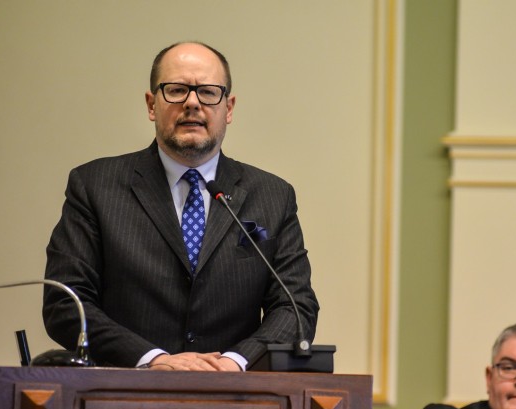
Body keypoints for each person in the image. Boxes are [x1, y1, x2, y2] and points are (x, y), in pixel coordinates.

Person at [42, 42, 319, 371]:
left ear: (228, 108)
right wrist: (152, 359)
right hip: (122, 398)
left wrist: (236, 361)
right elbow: (66, 302)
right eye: (176, 90)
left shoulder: (273, 195)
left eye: (208, 92)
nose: (192, 103)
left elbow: (296, 306)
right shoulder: (94, 186)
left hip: (235, 401)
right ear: (151, 104)